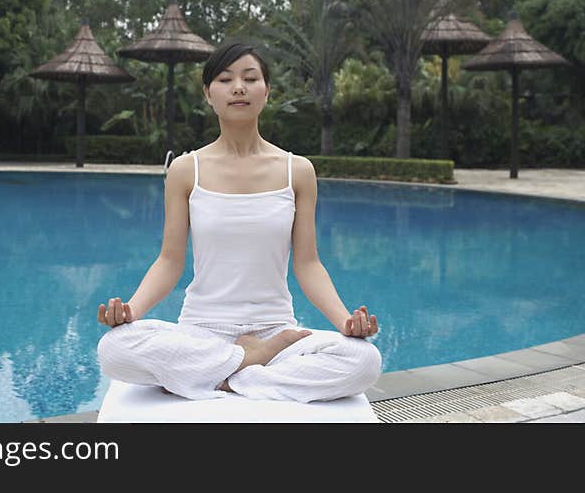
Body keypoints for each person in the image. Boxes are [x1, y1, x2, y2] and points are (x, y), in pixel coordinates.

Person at [96, 42, 382, 403]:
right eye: (225, 79)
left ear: (266, 91)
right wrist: (132, 311)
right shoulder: (186, 170)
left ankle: (225, 379)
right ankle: (247, 364)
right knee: (115, 349)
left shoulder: (298, 171)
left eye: (250, 78)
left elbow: (308, 264)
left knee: (364, 360)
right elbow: (170, 261)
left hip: (277, 332)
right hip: (202, 331)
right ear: (208, 94)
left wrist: (345, 322)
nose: (239, 87)